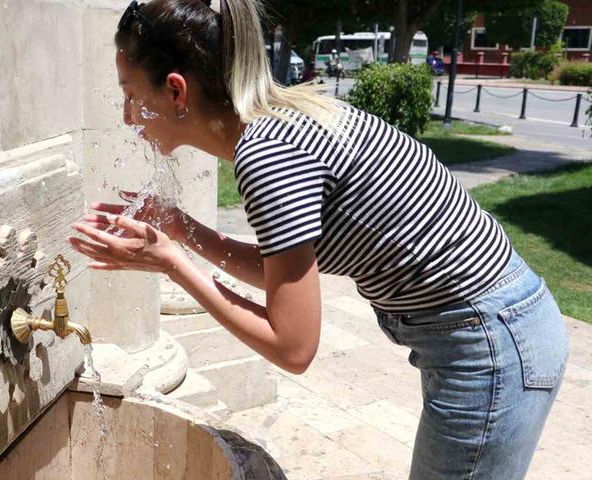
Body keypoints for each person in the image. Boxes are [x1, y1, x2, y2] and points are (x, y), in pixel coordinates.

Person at [67, 0, 568, 478]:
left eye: (131, 94)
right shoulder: (277, 124)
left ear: (176, 91)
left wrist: (172, 263)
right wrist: (182, 229)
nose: (128, 117)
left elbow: (294, 347)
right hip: (491, 329)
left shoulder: (268, 157)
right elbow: (279, 275)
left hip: (489, 344)